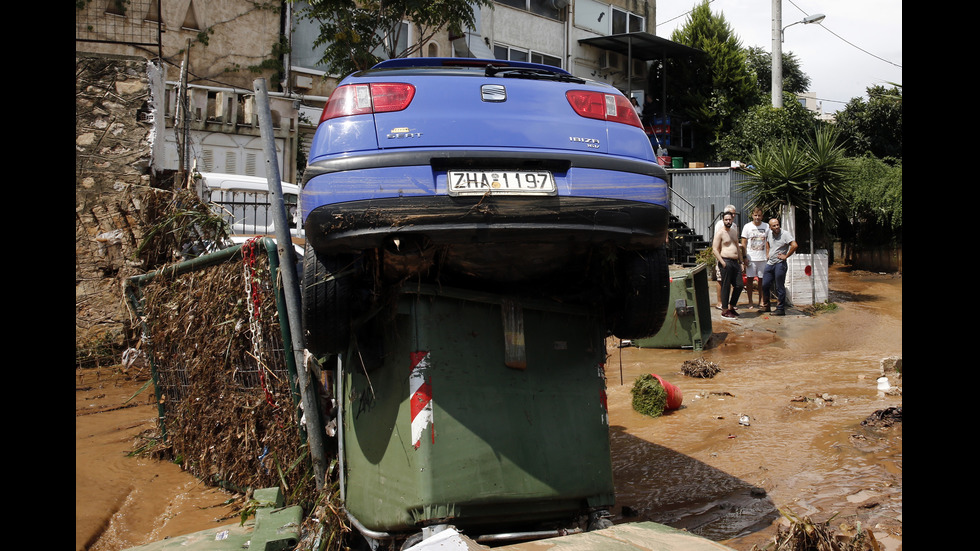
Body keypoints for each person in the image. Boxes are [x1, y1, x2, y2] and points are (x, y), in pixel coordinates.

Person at [761, 217, 798, 316]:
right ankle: (766, 305)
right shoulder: (769, 233)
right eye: (774, 225)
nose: (777, 227)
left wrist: (786, 256)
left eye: (777, 224)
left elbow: (794, 245)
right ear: (770, 227)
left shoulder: (785, 234)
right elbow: (767, 242)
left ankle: (780, 309)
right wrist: (767, 253)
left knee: (779, 286)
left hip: (780, 264)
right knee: (765, 284)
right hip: (770, 263)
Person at [712, 211, 744, 319]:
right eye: (726, 219)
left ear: (732, 220)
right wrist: (722, 262)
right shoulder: (720, 233)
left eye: (730, 219)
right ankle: (724, 310)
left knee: (739, 285)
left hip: (735, 262)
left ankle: (731, 306)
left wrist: (741, 261)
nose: (728, 221)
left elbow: (738, 248)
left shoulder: (734, 232)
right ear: (723, 220)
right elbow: (715, 249)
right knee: (725, 286)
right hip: (726, 261)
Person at [740, 207, 770, 309]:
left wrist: (768, 254)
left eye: (759, 215)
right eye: (755, 215)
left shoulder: (766, 226)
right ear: (752, 215)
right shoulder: (747, 227)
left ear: (762, 216)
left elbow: (768, 242)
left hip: (762, 258)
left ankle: (761, 300)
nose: (757, 217)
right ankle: (750, 301)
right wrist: (744, 257)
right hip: (751, 258)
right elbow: (743, 243)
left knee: (762, 280)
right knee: (749, 280)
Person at [713, 205, 737, 310]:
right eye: (730, 213)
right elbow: (718, 242)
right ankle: (720, 302)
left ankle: (728, 303)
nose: (732, 215)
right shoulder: (720, 224)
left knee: (730, 281)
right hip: (722, 257)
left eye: (733, 213)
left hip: (732, 259)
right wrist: (721, 261)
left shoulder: (734, 226)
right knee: (720, 279)